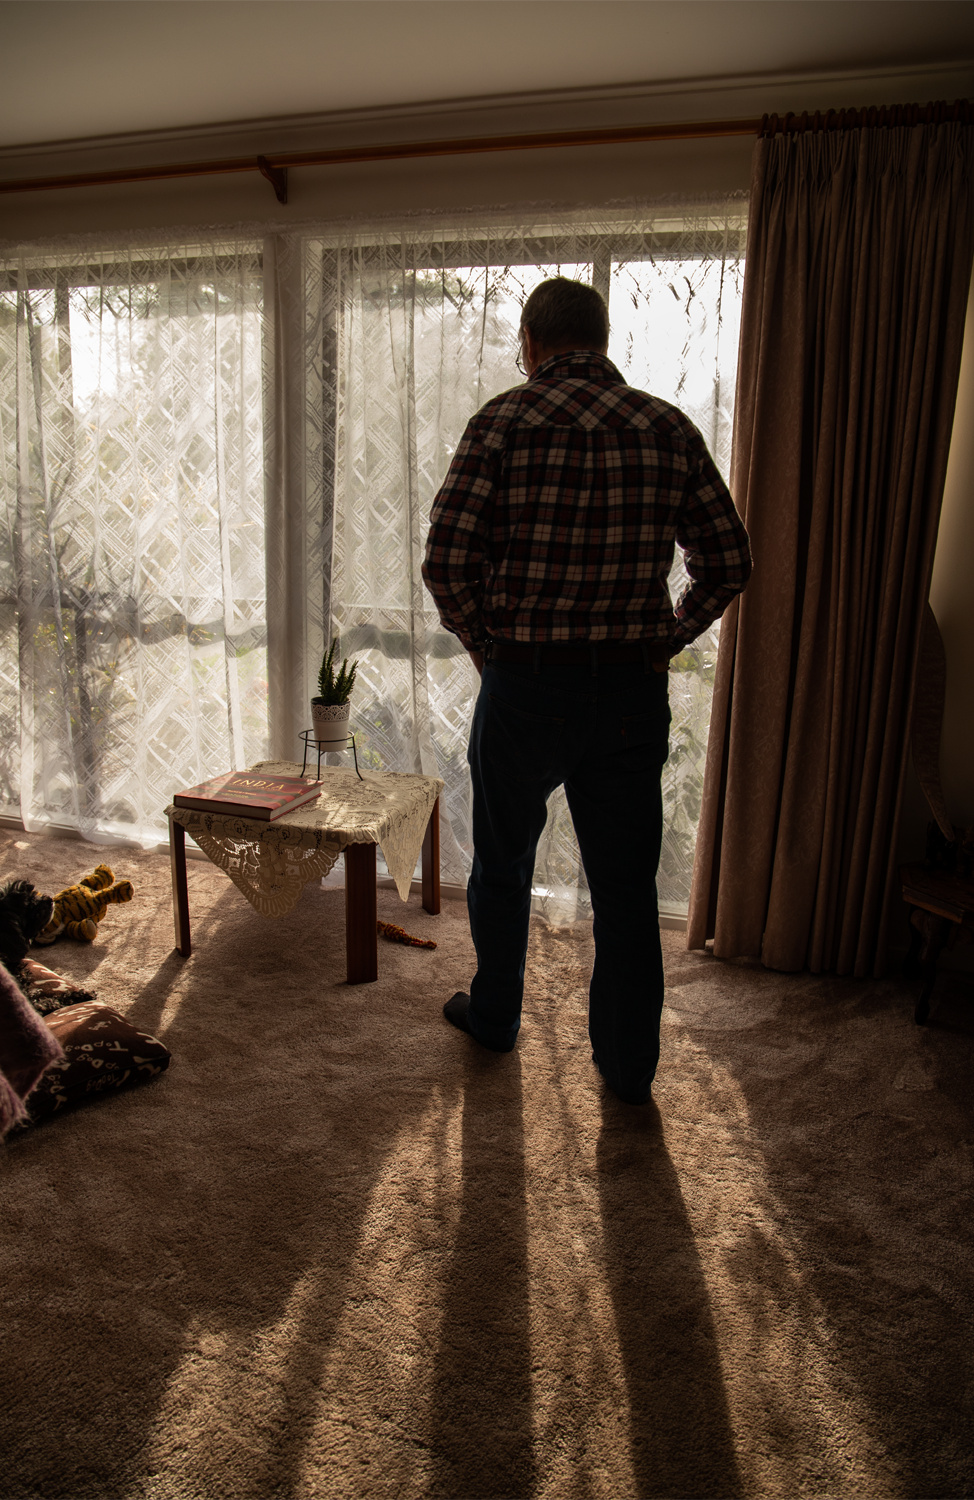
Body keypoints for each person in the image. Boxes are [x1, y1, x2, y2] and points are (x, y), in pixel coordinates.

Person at [421, 276, 751, 1105]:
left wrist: (487, 644)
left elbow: (446, 561)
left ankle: (495, 1017)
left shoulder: (501, 421)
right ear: (601, 340)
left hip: (527, 684)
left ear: (531, 341)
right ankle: (629, 1065)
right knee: (625, 887)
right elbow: (729, 561)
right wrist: (668, 634)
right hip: (628, 693)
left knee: (502, 866)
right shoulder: (665, 426)